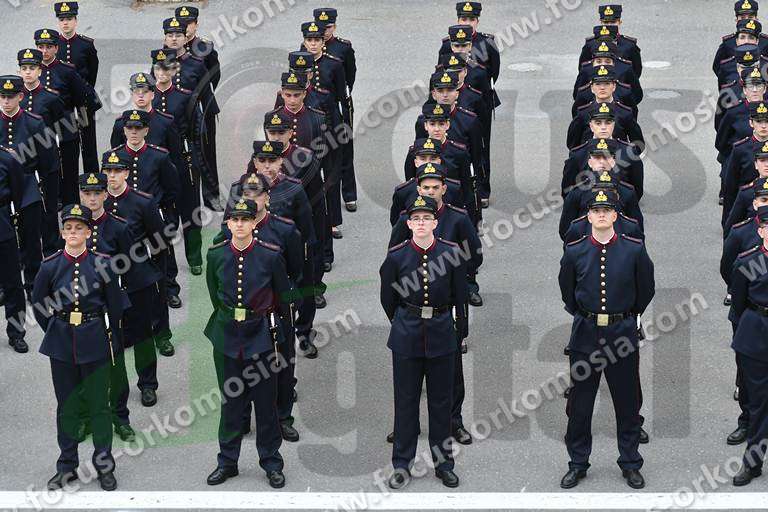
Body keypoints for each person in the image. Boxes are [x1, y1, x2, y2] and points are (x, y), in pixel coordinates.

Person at [558, 188, 654, 489]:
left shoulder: (633, 249)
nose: (601, 215)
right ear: (588, 216)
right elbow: (567, 291)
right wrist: (585, 314)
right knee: (580, 404)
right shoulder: (575, 251)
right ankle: (578, 462)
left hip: (621, 332)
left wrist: (626, 316)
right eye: (596, 211)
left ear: (615, 215)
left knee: (627, 402)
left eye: (607, 211)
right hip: (586, 333)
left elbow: (645, 289)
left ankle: (630, 462)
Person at [33, 203, 127, 491]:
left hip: (95, 340)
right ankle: (67, 466)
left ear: (88, 232)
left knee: (99, 406)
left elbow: (115, 305)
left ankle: (104, 465)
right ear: (62, 233)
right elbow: (39, 305)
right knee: (67, 406)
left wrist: (108, 337)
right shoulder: (50, 266)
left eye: (79, 228)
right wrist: (55, 329)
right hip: (61, 343)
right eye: (68, 228)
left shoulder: (103, 264)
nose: (73, 232)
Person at [379, 195, 469, 490]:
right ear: (408, 224)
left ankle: (444, 464)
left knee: (442, 404)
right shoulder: (397, 256)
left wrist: (459, 332)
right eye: (416, 219)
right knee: (405, 403)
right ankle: (401, 464)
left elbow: (460, 296)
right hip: (407, 334)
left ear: (435, 222)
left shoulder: (451, 253)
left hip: (441, 331)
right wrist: (403, 323)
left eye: (426, 218)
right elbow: (388, 298)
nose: (421, 223)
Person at [204, 198, 290, 489]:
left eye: (245, 220)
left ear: (254, 223)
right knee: (231, 404)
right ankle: (227, 462)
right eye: (235, 220)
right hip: (227, 337)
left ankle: (271, 462)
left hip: (261, 336)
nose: (240, 224)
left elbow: (282, 296)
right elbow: (215, 294)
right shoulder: (216, 255)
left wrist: (280, 336)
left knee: (266, 405)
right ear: (228, 224)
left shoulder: (270, 255)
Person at [102, 152, 169, 428]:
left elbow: (160, 240)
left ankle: (148, 383)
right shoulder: (97, 203)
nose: (112, 176)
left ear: (127, 173)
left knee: (142, 334)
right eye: (108, 171)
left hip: (138, 279)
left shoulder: (143, 202)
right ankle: (117, 388)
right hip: (108, 284)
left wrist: (151, 270)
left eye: (117, 171)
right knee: (113, 338)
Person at [34, 27, 101, 204]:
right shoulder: (32, 72)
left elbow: (83, 98)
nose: (44, 51)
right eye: (40, 47)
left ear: (56, 48)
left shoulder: (67, 71)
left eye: (49, 47)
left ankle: (71, 205)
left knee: (69, 170)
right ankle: (52, 201)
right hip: (41, 130)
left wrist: (81, 123)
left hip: (65, 127)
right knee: (46, 169)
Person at [729, 206, 768, 485]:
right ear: (761, 230)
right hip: (757, 335)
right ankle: (753, 463)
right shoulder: (750, 262)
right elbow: (739, 303)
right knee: (759, 405)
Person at [174, 5, 222, 211]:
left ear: (196, 24)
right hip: (177, 110)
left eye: (189, 23)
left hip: (202, 107)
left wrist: (202, 97)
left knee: (206, 152)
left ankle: (211, 196)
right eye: (181, 24)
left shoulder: (204, 47)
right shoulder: (169, 49)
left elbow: (214, 74)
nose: (185, 28)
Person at [53, 1, 99, 176]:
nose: (65, 23)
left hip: (84, 101)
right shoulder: (53, 45)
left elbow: (92, 73)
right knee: (66, 144)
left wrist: (85, 93)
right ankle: (68, 182)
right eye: (62, 19)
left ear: (76, 21)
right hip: (63, 102)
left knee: (88, 143)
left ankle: (92, 180)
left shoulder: (86, 45)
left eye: (69, 19)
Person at [0, 144, 29, 353]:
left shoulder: (7, 160)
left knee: (13, 284)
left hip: (2, 226)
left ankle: (16, 333)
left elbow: (18, 194)